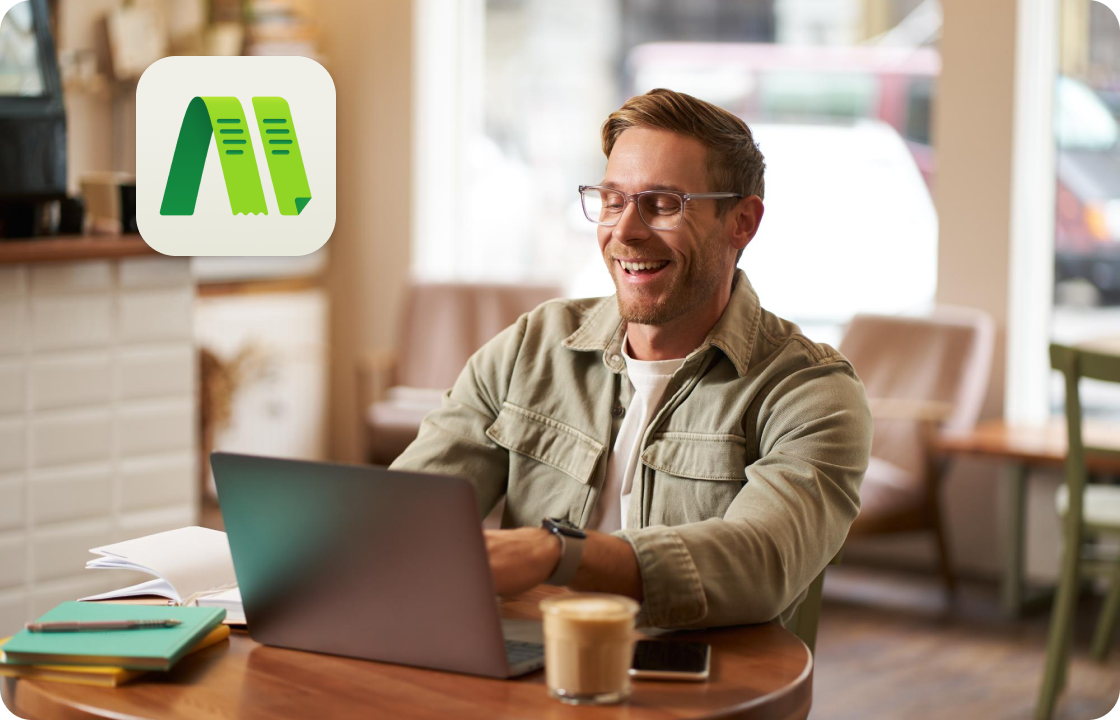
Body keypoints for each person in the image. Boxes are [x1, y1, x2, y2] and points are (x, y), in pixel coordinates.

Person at [390, 88, 872, 629]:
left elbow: (762, 561)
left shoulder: (811, 393)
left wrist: (558, 552)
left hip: (701, 676)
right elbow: (408, 516)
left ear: (742, 222)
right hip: (527, 666)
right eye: (613, 201)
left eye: (663, 205)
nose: (624, 231)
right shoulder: (531, 347)